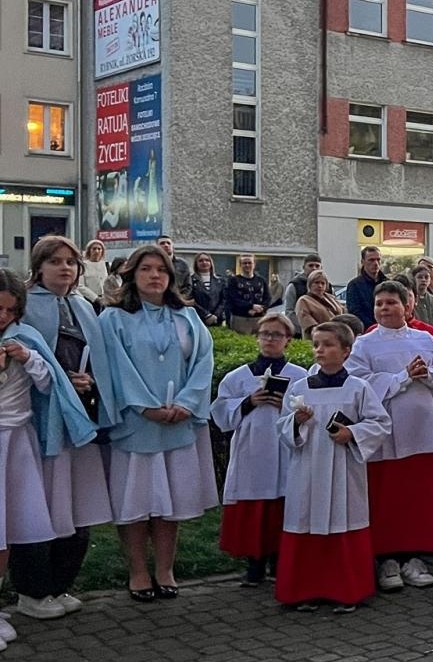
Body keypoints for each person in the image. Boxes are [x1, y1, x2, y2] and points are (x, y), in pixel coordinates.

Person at [98, 244, 217, 600]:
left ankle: (165, 569)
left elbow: (202, 362)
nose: (155, 276)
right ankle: (137, 571)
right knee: (135, 503)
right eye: (147, 269)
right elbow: (114, 368)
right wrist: (144, 406)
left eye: (161, 270)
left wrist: (186, 403)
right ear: (132, 275)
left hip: (179, 422)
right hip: (137, 424)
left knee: (171, 503)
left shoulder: (187, 317)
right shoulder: (114, 319)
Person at [16, 237, 116, 620]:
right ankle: (33, 590)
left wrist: (89, 380)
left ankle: (60, 583)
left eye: (71, 263)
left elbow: (97, 358)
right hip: (43, 420)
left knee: (77, 503)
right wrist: (60, 382)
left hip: (84, 417)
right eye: (55, 262)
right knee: (42, 504)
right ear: (39, 267)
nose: (64, 268)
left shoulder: (84, 305)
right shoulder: (26, 308)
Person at [0, 267, 98, 636]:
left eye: (10, 310)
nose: (3, 317)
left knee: (12, 523)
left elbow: (48, 382)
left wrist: (28, 358)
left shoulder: (24, 337)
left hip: (18, 441)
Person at [276, 322, 391, 613]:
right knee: (305, 520)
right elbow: (282, 426)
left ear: (346, 351)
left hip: (343, 468)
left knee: (343, 519)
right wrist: (296, 422)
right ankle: (305, 590)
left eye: (327, 345)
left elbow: (380, 423)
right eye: (316, 344)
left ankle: (346, 590)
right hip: (308, 468)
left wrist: (352, 434)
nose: (320, 350)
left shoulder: (358, 387)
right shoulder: (300, 387)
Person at [349, 280, 433, 589]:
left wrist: (429, 374)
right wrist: (401, 377)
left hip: (424, 428)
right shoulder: (364, 344)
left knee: (418, 494)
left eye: (391, 303)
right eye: (379, 303)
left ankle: (415, 557)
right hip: (387, 431)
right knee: (388, 495)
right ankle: (388, 560)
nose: (384, 308)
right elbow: (359, 383)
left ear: (407, 307)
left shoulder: (426, 339)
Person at [211, 314, 306, 584]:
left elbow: (311, 411)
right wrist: (249, 401)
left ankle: (279, 562)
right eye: (265, 333)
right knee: (254, 505)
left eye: (277, 334)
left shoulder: (300, 376)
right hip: (252, 448)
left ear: (288, 340)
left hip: (285, 448)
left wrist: (284, 405)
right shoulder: (238, 377)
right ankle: (254, 563)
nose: (270, 339)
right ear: (257, 337)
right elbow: (221, 413)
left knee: (283, 502)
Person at [223, 253, 270, 335]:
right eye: (244, 263)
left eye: (249, 263)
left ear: (254, 264)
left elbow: (268, 297)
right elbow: (232, 299)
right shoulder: (233, 280)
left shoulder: (261, 280)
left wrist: (262, 308)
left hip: (259, 318)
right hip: (240, 318)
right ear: (240, 265)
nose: (247, 265)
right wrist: (250, 306)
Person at [345, 246, 386, 331]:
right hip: (365, 330)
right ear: (363, 262)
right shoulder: (354, 285)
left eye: (378, 260)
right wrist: (374, 327)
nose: (376, 263)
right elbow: (355, 311)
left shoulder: (387, 283)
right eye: (371, 260)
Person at [280, 255, 322, 336]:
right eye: (311, 265)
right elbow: (289, 311)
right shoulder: (294, 286)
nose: (314, 268)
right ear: (304, 267)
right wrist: (305, 327)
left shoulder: (327, 286)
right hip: (300, 332)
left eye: (317, 266)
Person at [295, 270, 344, 334]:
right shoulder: (303, 301)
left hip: (339, 336)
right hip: (318, 339)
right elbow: (308, 325)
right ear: (310, 284)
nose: (320, 286)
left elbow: (343, 313)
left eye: (323, 283)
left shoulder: (332, 298)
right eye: (316, 282)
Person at [410, 261, 433, 344]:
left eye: (426, 277)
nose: (423, 280)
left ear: (430, 280)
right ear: (414, 279)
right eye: (420, 277)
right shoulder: (410, 300)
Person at [189, 253, 225, 326]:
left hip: (217, 320)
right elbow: (190, 300)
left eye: (207, 260)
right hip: (198, 319)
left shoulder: (220, 280)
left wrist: (215, 315)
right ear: (196, 264)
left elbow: (224, 300)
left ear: (211, 263)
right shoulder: (190, 280)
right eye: (201, 261)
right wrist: (207, 315)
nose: (204, 262)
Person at [80, 239, 109, 305]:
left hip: (105, 300)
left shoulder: (106, 265)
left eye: (99, 249)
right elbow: (80, 286)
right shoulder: (83, 266)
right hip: (89, 301)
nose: (97, 251)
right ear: (89, 251)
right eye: (94, 249)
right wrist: (95, 298)